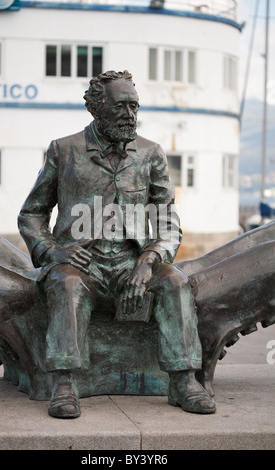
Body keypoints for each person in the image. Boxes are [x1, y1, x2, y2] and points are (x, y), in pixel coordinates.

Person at [18, 70, 215, 418]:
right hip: (80, 263)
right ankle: (65, 382)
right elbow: (32, 215)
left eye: (134, 106)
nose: (130, 115)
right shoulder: (64, 151)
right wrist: (53, 251)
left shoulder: (150, 153)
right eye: (121, 106)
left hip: (131, 261)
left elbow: (168, 221)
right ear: (97, 108)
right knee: (67, 285)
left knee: (175, 282)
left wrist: (150, 258)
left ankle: (184, 379)